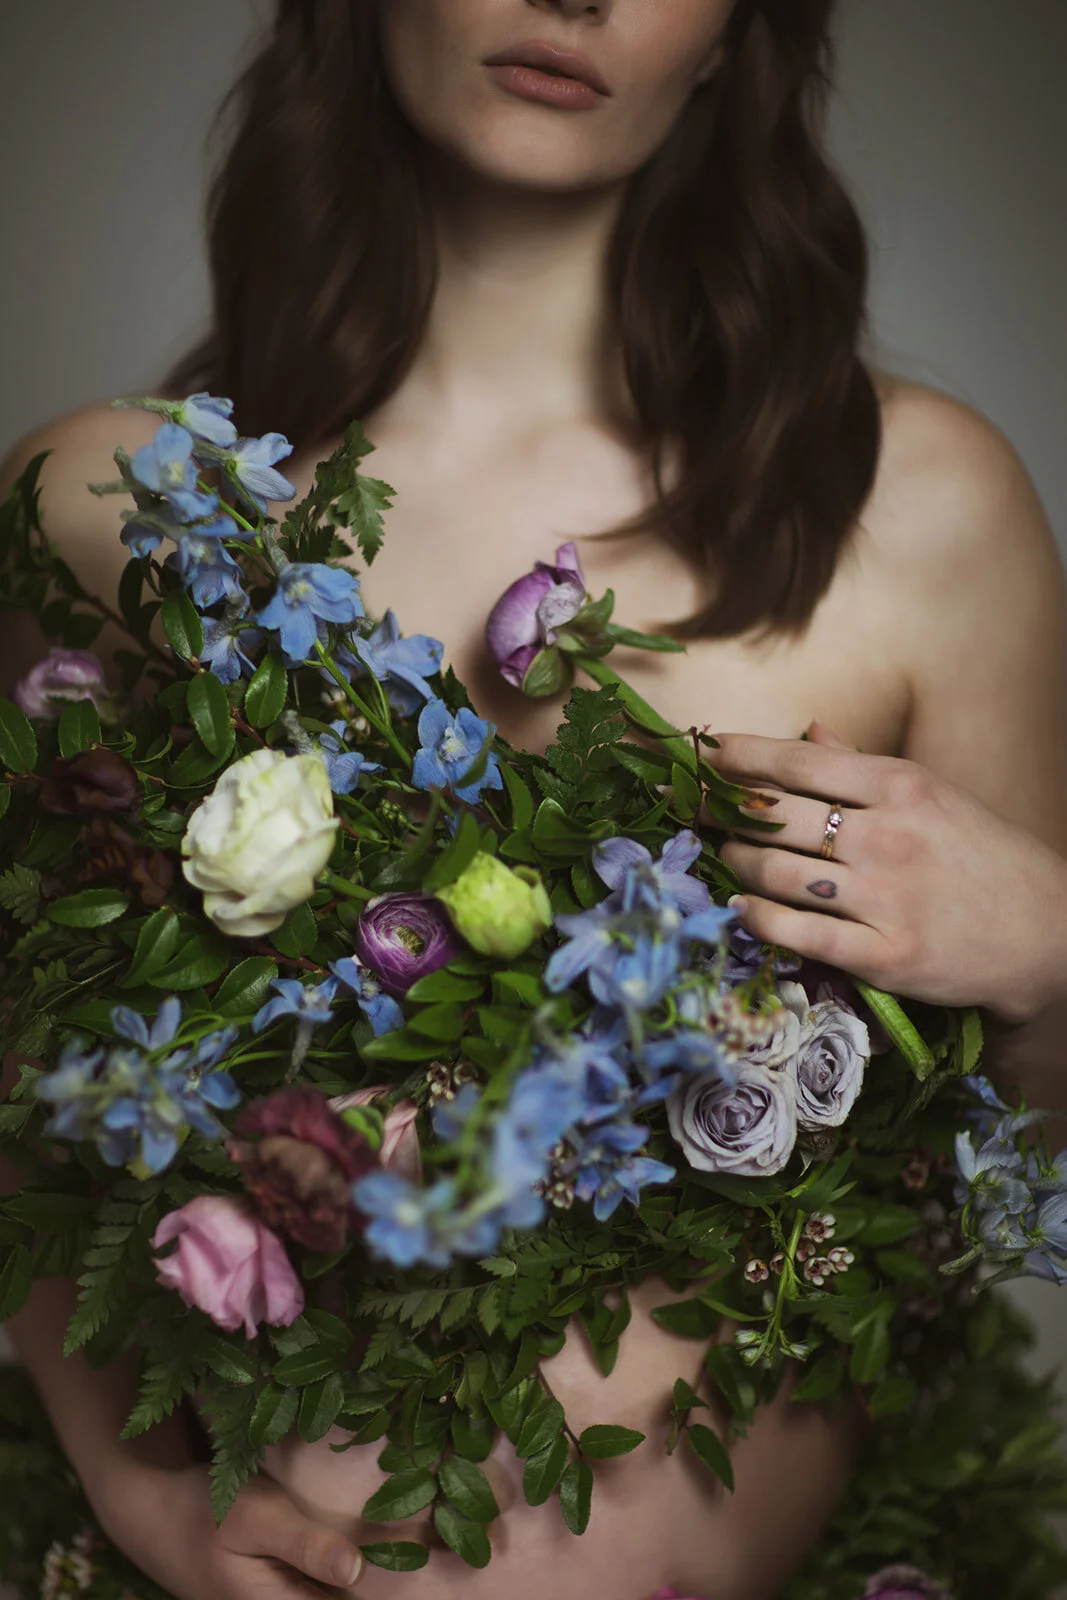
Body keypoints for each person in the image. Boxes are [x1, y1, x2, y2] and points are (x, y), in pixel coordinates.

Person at [2, 2, 1066, 1595]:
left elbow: (1015, 1154)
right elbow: (21, 1094)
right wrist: (139, 1492)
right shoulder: (118, 513)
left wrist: (1052, 941)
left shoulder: (912, 511)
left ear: (732, 34)